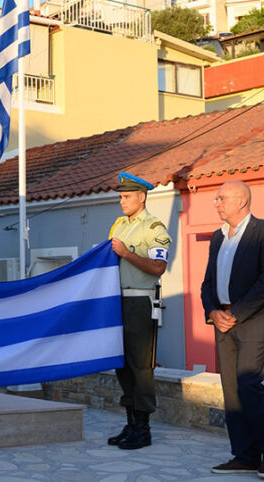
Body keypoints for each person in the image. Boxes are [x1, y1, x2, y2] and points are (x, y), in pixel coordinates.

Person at [201, 180, 264, 479]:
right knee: (231, 390)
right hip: (222, 320)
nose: (216, 203)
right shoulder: (217, 237)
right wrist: (212, 311)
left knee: (249, 384)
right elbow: (207, 282)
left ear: (241, 201)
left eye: (221, 198)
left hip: (255, 318)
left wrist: (234, 313)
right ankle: (244, 455)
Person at [107, 172, 171, 450]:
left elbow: (158, 267)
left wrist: (127, 254)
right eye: (120, 197)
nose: (122, 202)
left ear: (141, 197)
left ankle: (143, 429)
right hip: (116, 300)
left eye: (127, 197)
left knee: (140, 366)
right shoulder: (119, 225)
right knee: (122, 365)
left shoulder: (154, 227)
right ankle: (131, 422)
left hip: (139, 301)